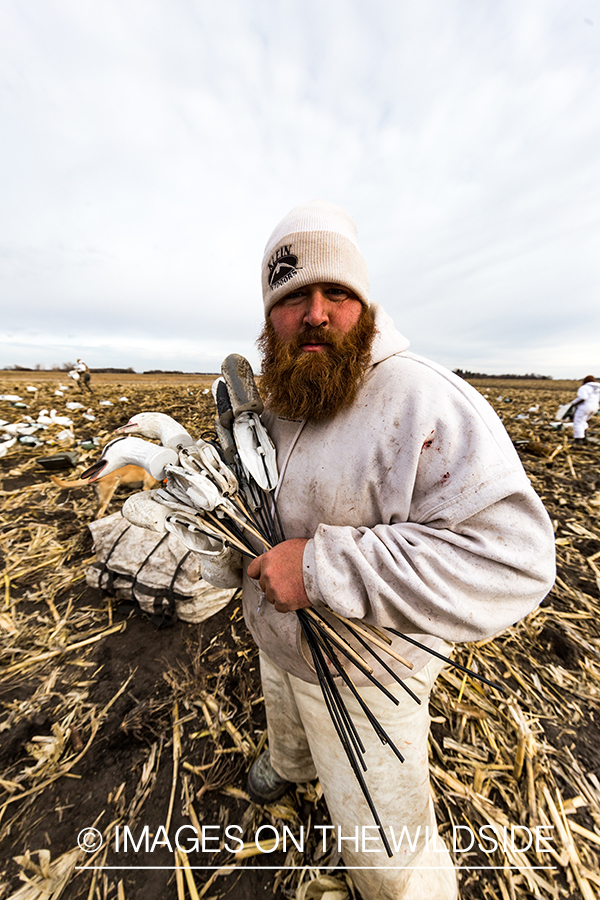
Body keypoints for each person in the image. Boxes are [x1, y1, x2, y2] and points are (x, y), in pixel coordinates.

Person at [148, 200, 556, 899]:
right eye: (291, 297)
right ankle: (291, 764)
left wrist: (318, 569)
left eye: (337, 292)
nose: (315, 313)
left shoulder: (422, 400)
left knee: (389, 853)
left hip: (370, 673)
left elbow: (513, 562)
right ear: (268, 315)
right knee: (288, 716)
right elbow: (257, 507)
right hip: (277, 643)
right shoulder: (275, 399)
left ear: (364, 305)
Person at [570, 375, 600, 444]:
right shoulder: (598, 388)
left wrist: (574, 403)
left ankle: (578, 439)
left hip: (585, 406)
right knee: (583, 421)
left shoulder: (584, 388)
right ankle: (584, 436)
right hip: (595, 406)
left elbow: (583, 397)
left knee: (578, 422)